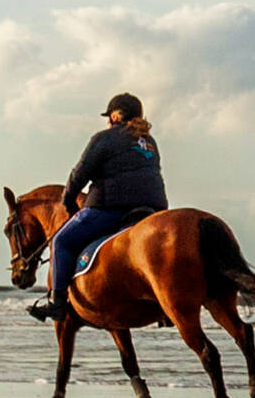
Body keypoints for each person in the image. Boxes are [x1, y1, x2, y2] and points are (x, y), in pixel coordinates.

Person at [27, 93, 168, 324]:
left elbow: (79, 174)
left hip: (112, 208)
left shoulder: (104, 138)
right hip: (152, 209)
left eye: (109, 116)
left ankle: (57, 304)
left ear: (115, 116)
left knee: (61, 241)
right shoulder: (149, 142)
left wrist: (69, 201)